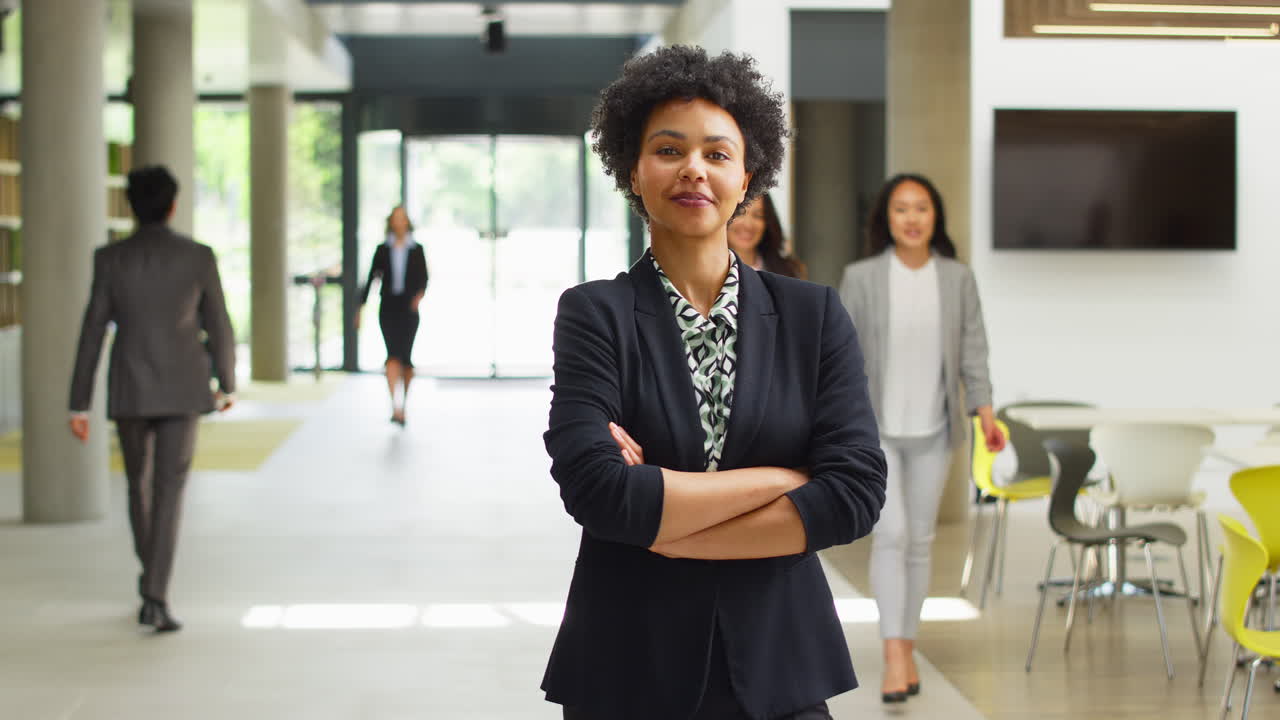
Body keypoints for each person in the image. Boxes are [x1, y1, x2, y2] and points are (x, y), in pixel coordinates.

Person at [542, 45, 887, 720]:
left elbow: (854, 493)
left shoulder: (812, 316)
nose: (693, 169)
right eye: (669, 150)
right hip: (627, 660)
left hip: (780, 664)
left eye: (717, 153)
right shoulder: (594, 314)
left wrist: (666, 525)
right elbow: (598, 491)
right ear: (632, 171)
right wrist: (788, 480)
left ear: (746, 176)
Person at [838, 173, 1006, 703]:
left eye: (922, 208)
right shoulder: (861, 277)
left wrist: (985, 414)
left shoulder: (958, 279)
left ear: (936, 217)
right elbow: (840, 357)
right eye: (901, 209)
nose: (911, 218)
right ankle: (893, 654)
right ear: (885, 218)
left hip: (936, 430)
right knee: (891, 535)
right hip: (876, 431)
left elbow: (972, 350)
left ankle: (908, 644)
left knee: (920, 542)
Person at [68, 164, 236, 633]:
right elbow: (219, 325)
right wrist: (227, 381)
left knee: (137, 488)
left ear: (131, 205)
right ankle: (156, 590)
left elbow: (92, 332)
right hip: (184, 386)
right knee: (169, 490)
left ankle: (152, 583)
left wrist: (78, 402)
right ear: (173, 204)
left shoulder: (110, 259)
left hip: (131, 386)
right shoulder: (198, 256)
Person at [358, 206, 428, 426]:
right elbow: (371, 280)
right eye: (395, 219)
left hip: (409, 309)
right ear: (391, 222)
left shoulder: (416, 250)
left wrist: (418, 298)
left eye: (402, 219)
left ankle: (404, 403)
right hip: (388, 307)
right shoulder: (382, 250)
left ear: (407, 222)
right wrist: (360, 309)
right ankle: (394, 407)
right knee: (392, 355)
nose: (399, 223)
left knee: (406, 358)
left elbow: (424, 279)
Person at [728, 192, 807, 278]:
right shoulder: (712, 270)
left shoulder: (790, 271)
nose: (748, 225)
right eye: (739, 213)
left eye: (758, 216)